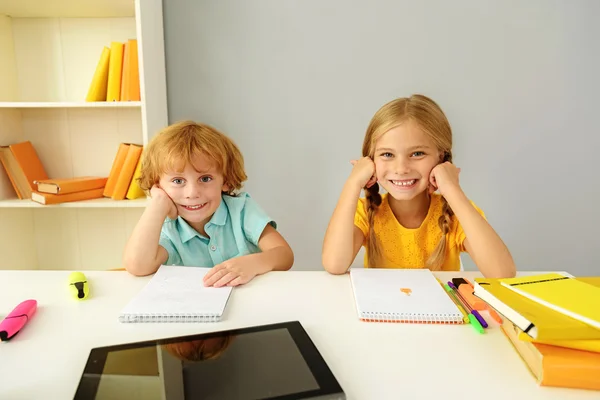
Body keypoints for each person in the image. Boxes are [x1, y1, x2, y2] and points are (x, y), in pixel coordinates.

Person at [322, 94, 515, 278]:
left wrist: (452, 189)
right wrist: (353, 183)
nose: (401, 168)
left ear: (441, 156)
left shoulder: (456, 213)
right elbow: (334, 264)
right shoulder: (365, 212)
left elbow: (501, 272)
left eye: (417, 154)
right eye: (387, 155)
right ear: (370, 161)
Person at [123, 120, 294, 287]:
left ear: (225, 181)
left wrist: (253, 264)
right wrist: (158, 203)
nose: (192, 193)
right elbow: (138, 266)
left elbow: (284, 255)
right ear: (158, 186)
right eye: (178, 181)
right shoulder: (168, 227)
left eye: (205, 179)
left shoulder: (241, 210)